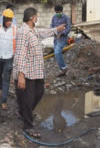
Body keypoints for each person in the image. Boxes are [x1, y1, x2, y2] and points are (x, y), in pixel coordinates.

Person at [13, 7, 65, 138]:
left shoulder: (32, 30)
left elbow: (43, 33)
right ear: (32, 18)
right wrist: (21, 75)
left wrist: (56, 29)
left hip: (36, 71)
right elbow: (19, 55)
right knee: (28, 99)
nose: (38, 18)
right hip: (27, 72)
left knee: (39, 93)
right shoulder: (23, 32)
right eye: (37, 16)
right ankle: (28, 126)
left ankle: (24, 112)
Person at [50, 5, 71, 77]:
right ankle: (62, 70)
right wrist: (54, 32)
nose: (57, 13)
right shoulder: (54, 17)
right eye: (56, 12)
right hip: (56, 39)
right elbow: (51, 26)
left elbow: (68, 28)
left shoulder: (66, 18)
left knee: (57, 52)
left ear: (61, 11)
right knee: (57, 54)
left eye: (59, 12)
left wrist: (62, 33)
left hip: (62, 39)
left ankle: (64, 67)